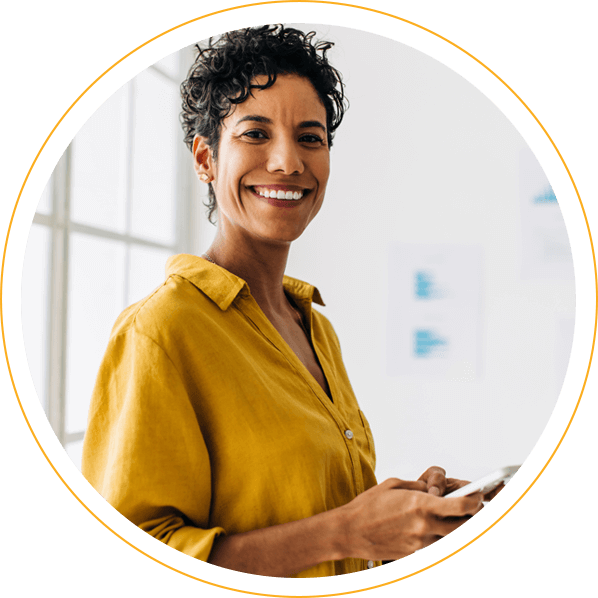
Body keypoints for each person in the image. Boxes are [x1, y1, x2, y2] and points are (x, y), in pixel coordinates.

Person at [82, 24, 501, 578]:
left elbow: (300, 517)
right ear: (206, 159)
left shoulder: (313, 326)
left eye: (310, 137)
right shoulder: (160, 331)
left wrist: (396, 516)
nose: (288, 162)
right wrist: (347, 530)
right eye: (256, 133)